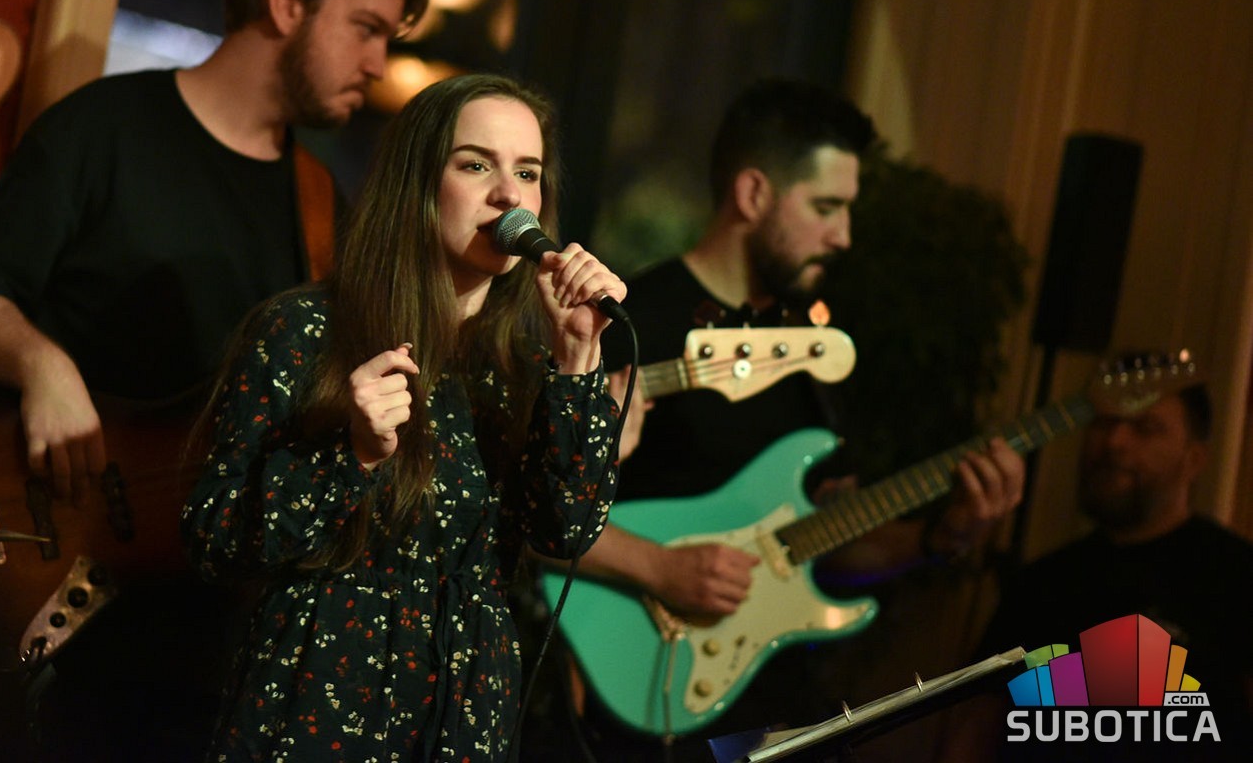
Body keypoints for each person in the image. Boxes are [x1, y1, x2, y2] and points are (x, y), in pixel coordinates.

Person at [0, 0, 428, 761]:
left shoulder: (319, 206)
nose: (379, 64)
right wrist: (43, 367)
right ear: (287, 3)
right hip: (62, 585)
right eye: (366, 28)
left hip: (207, 635)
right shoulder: (105, 128)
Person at [544, 78, 1027, 761]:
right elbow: (536, 515)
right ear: (752, 194)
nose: (843, 236)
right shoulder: (629, 322)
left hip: (778, 712)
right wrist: (660, 569)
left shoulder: (811, 347)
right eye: (826, 207)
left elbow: (823, 547)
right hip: (649, 704)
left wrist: (940, 535)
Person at [181, 73, 627, 761]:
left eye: (527, 173)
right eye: (475, 165)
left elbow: (566, 531)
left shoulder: (528, 369)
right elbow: (212, 539)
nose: (509, 195)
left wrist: (577, 360)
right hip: (321, 706)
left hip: (464, 721)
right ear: (417, 183)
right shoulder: (304, 331)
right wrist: (350, 456)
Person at [947, 356, 1253, 761]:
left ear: (1193, 458)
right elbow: (976, 729)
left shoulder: (1238, 575)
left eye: (1145, 427)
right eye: (1105, 422)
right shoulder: (1042, 581)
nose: (1115, 442)